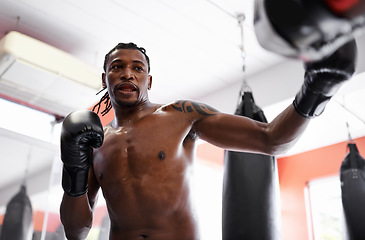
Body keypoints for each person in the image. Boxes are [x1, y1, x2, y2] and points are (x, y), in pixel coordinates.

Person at [59, 36, 356, 239]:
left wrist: (317, 89)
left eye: (137, 68)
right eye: (117, 67)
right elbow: (76, 232)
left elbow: (272, 139)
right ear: (105, 79)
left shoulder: (180, 115)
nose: (127, 74)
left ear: (148, 80)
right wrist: (72, 166)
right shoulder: (94, 143)